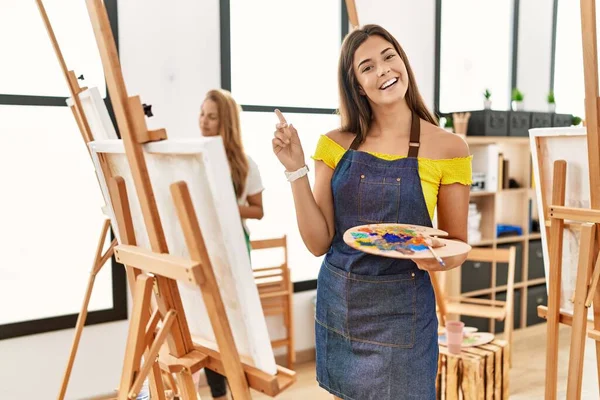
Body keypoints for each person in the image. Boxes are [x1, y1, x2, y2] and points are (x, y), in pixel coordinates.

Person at [271, 24, 472, 399]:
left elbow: (456, 243)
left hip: (403, 313)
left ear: (403, 62)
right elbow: (318, 243)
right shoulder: (334, 145)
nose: (383, 70)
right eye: (367, 67)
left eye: (389, 56)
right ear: (357, 87)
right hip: (341, 304)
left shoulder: (449, 147)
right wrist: (295, 169)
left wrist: (435, 259)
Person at [199, 88, 265, 399]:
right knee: (208, 324)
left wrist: (224, 204)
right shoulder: (193, 156)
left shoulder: (245, 164)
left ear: (226, 122)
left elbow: (258, 210)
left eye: (212, 116)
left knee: (234, 323)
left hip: (235, 247)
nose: (204, 121)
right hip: (201, 246)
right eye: (202, 114)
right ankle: (217, 393)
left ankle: (238, 387)